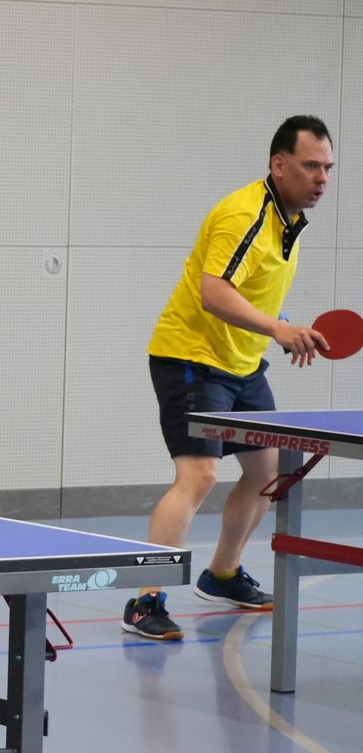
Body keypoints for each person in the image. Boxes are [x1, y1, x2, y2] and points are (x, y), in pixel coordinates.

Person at [124, 116, 335, 642]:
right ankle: (143, 601)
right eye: (311, 166)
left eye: (328, 168)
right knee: (198, 476)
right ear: (278, 164)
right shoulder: (244, 214)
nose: (322, 179)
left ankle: (221, 575)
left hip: (242, 364)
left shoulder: (290, 221)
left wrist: (280, 327)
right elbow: (213, 292)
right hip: (192, 358)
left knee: (269, 473)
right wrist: (277, 328)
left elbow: (252, 288)